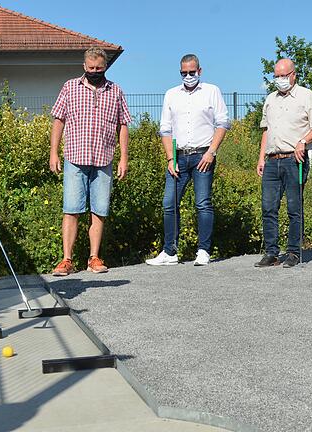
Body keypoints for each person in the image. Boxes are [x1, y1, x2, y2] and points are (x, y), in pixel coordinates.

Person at [49, 47, 131, 276]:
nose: (95, 71)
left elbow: (123, 125)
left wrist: (124, 158)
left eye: (100, 68)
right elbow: (58, 120)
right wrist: (53, 152)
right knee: (71, 209)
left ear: (105, 67)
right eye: (92, 68)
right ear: (84, 67)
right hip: (75, 157)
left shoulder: (115, 91)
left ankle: (94, 257)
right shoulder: (69, 87)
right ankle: (66, 260)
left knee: (99, 210)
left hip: (104, 159)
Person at [146, 54, 229, 266]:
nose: (188, 76)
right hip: (178, 157)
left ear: (199, 71)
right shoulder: (171, 94)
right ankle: (170, 252)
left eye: (192, 72)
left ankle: (203, 250)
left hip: (203, 155)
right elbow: (165, 128)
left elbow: (222, 123)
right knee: (169, 203)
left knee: (202, 203)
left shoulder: (212, 91)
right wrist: (170, 158)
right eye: (184, 73)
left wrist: (211, 152)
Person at [255, 58, 312, 268]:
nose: (280, 80)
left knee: (294, 208)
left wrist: (303, 141)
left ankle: (294, 251)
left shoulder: (306, 96)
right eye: (276, 76)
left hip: (295, 160)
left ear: (293, 74)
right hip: (272, 160)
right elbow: (266, 130)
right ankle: (271, 253)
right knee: (268, 208)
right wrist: (261, 158)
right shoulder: (270, 99)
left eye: (283, 75)